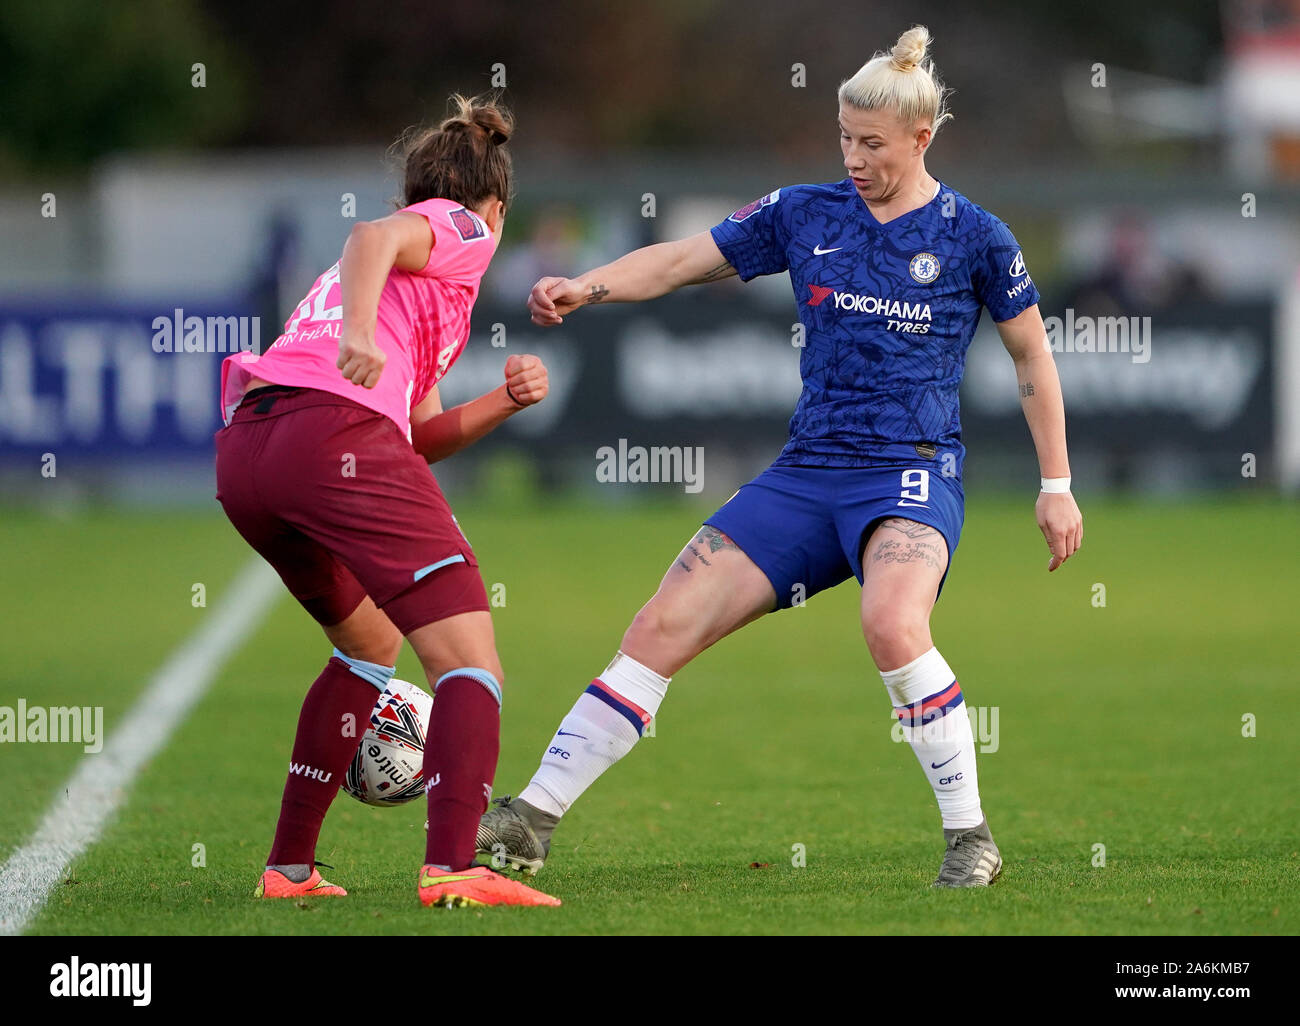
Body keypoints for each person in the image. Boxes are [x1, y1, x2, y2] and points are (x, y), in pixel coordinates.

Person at [478, 26, 1083, 887]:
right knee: (660, 625)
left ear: (923, 137)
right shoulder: (804, 211)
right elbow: (685, 260)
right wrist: (589, 284)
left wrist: (1055, 484)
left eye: (872, 143)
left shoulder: (975, 235)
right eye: (844, 137)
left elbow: (1033, 357)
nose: (854, 156)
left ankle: (969, 837)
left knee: (892, 624)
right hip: (807, 475)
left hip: (911, 470)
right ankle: (533, 815)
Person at [215, 94, 560, 908]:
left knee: (369, 643)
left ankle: (289, 868)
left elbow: (422, 434)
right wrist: (360, 333)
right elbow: (372, 235)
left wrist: (502, 402)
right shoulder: (461, 231)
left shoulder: (422, 290)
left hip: (252, 452)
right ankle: (452, 868)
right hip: (329, 434)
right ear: (497, 206)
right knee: (470, 657)